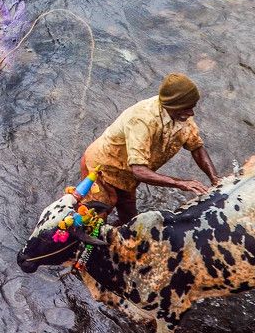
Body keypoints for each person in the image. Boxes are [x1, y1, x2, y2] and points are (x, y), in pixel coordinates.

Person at [79, 73, 221, 223]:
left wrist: (215, 178)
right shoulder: (142, 120)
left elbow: (196, 147)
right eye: (187, 108)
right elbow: (139, 171)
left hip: (126, 177)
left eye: (192, 107)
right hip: (101, 170)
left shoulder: (182, 116)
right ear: (173, 106)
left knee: (130, 222)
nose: (191, 113)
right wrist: (181, 183)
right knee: (92, 221)